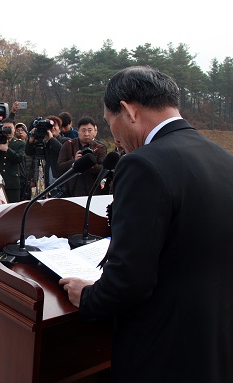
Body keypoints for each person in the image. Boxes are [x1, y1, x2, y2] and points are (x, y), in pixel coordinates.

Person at [59, 66, 233, 382]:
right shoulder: (223, 159)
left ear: (128, 110)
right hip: (215, 343)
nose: (117, 142)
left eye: (113, 127)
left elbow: (130, 281)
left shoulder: (143, 164)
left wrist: (87, 296)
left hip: (163, 353)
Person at [56, 116, 106, 197]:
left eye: (90, 130)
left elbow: (103, 169)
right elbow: (60, 167)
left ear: (94, 131)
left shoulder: (100, 148)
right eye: (83, 130)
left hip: (92, 189)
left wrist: (90, 163)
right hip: (71, 189)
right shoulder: (68, 145)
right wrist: (75, 161)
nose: (86, 134)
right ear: (78, 131)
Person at [25, 116, 64, 195]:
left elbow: (62, 151)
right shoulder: (43, 142)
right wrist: (31, 140)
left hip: (59, 182)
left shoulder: (65, 141)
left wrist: (51, 138)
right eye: (50, 127)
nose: (52, 128)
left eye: (54, 126)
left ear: (59, 129)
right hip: (44, 182)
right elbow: (29, 152)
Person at [0, 118, 26, 203]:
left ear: (14, 129)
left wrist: (7, 149)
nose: (8, 130)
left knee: (13, 208)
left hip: (12, 182)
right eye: (5, 128)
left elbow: (19, 158)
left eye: (10, 127)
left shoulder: (19, 143)